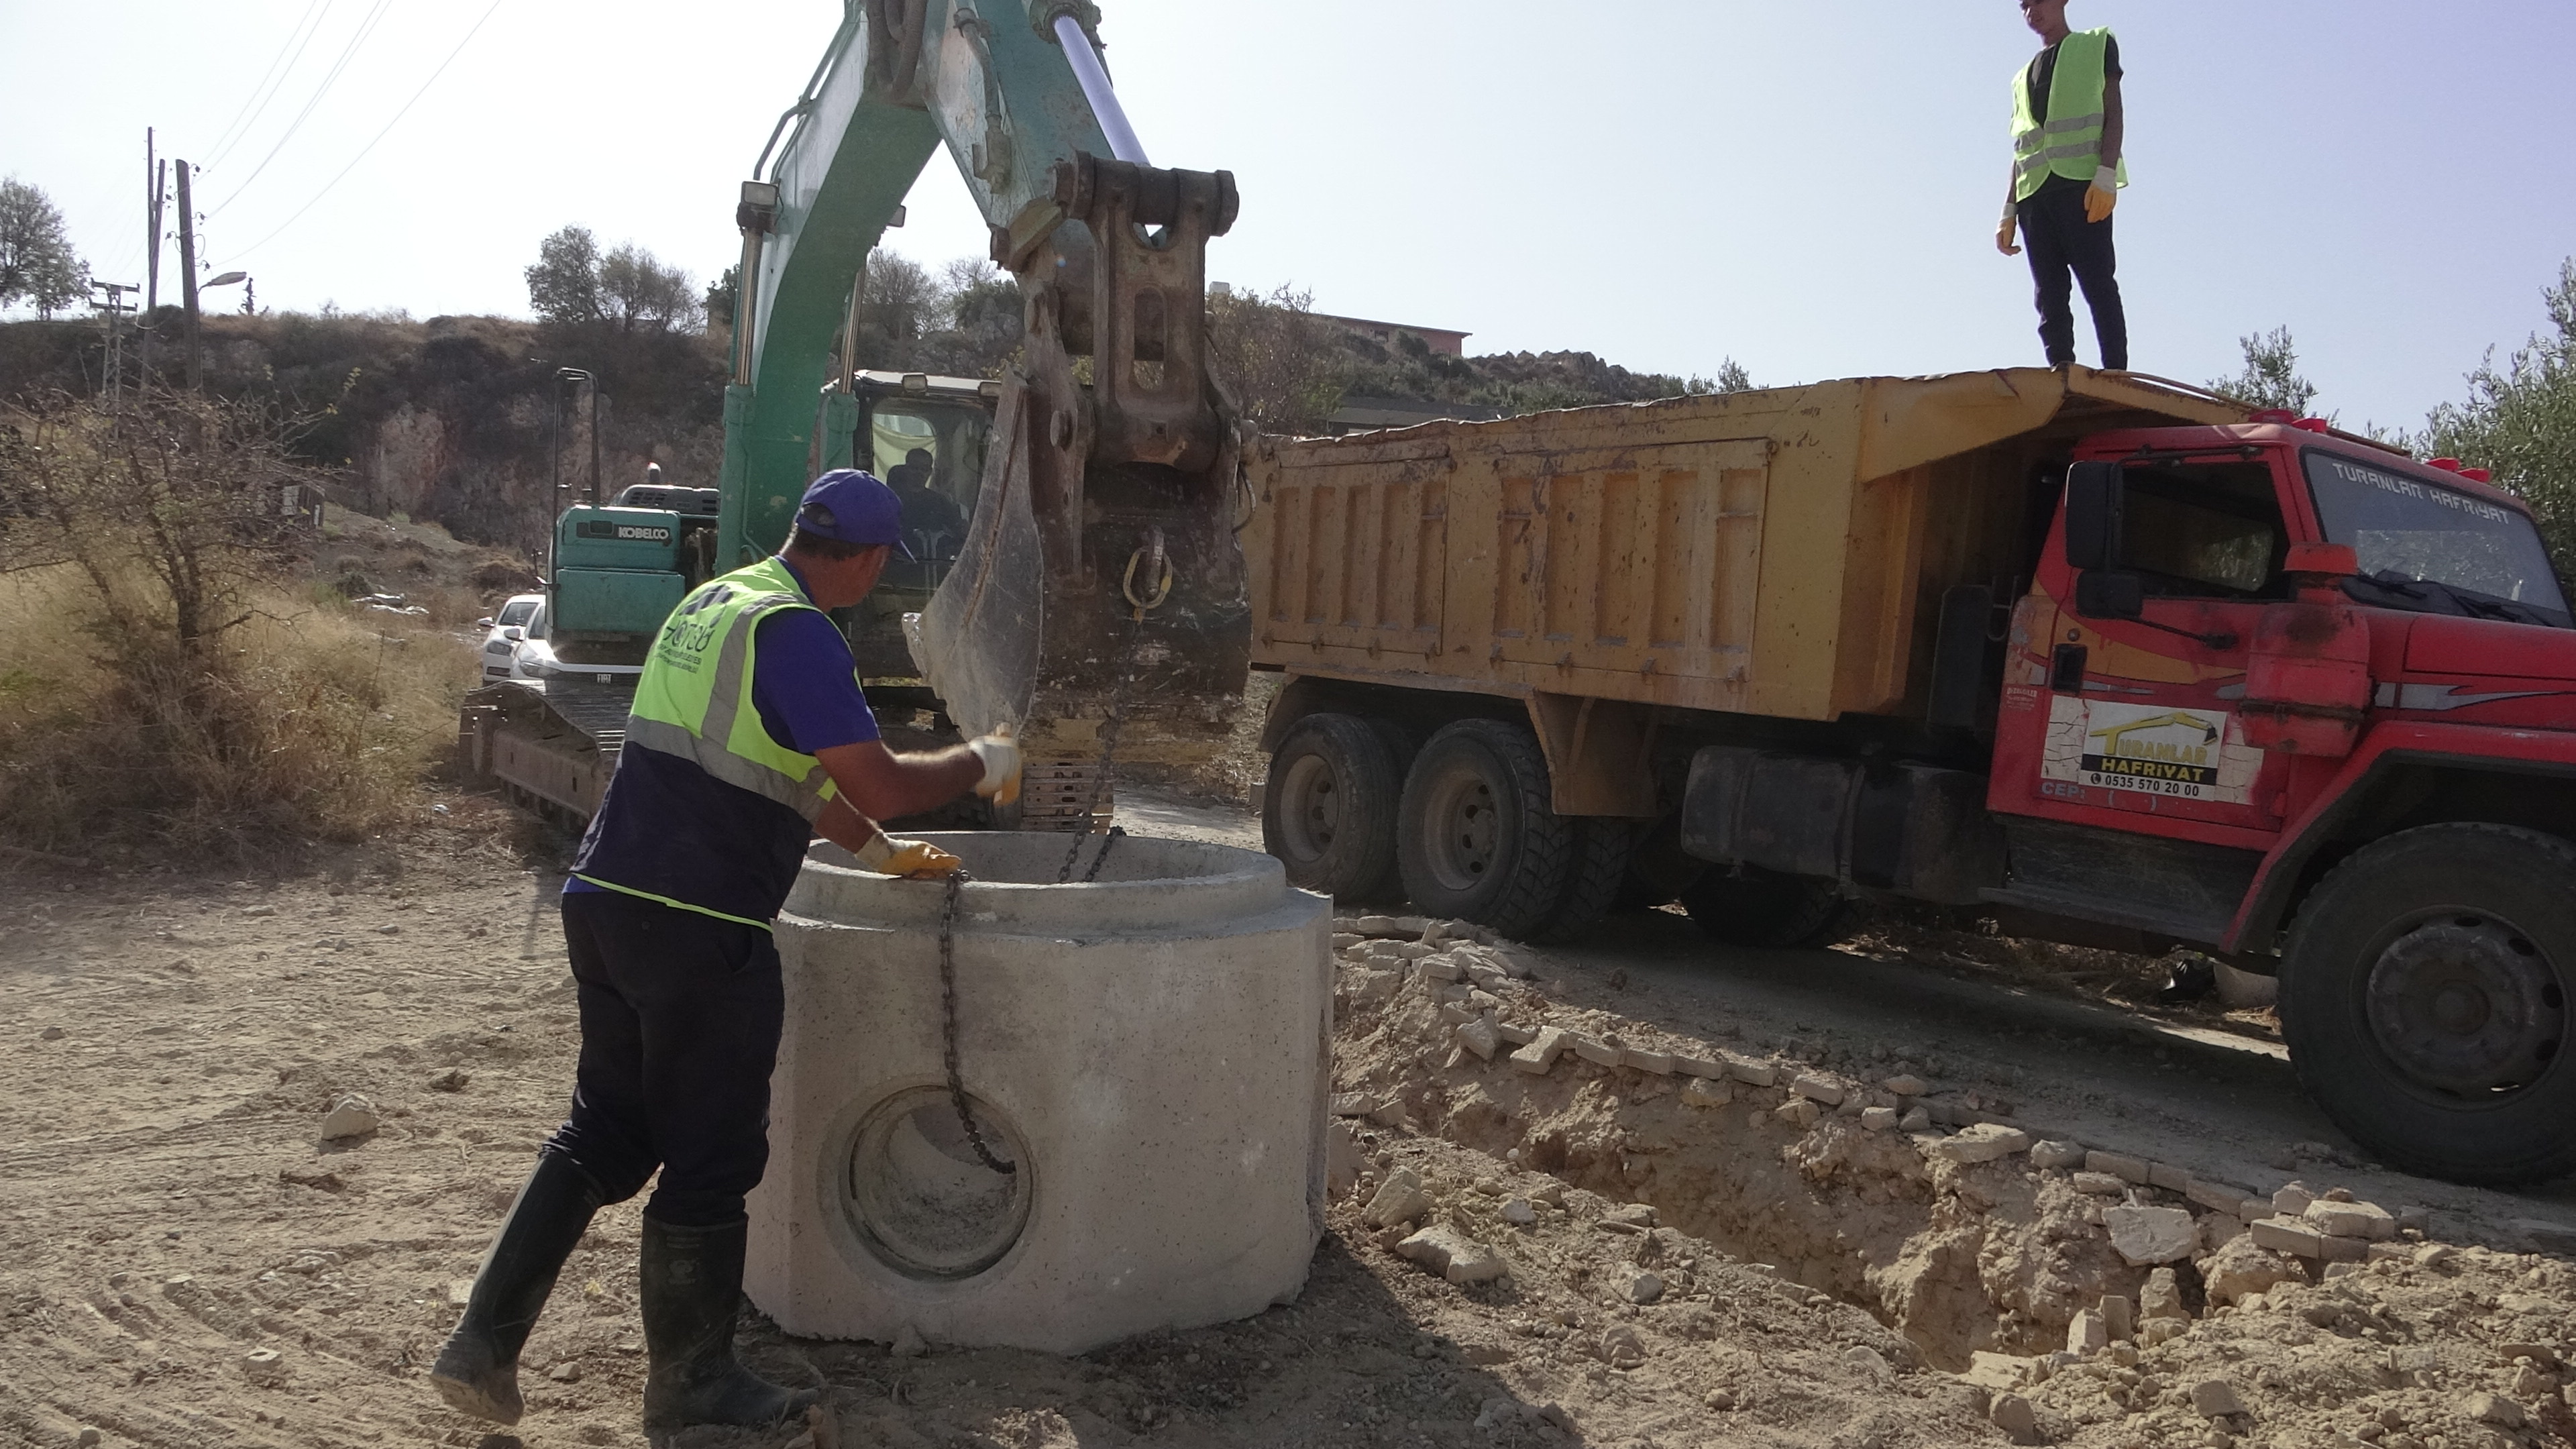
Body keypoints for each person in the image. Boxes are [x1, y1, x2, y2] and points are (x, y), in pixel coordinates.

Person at [429, 469, 1022, 1433]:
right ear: (870, 561)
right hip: (700, 924)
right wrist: (983, 761)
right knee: (712, 1160)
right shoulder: (797, 635)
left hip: (608, 901)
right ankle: (693, 1386)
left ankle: (482, 1344)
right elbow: (878, 779)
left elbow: (786, 777)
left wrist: (881, 855)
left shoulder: (717, 604)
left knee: (607, 1129)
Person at [1996, 0, 2129, 372]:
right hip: (2034, 198)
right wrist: (2009, 209)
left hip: (2082, 188)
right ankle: (2061, 371)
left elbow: (2113, 112)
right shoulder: (2021, 78)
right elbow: (2021, 146)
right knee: (2049, 296)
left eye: (2037, 1)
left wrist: (2105, 173)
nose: (2030, 12)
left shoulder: (2096, 45)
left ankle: (2116, 372)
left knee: (2098, 284)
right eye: (2023, 6)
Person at [885, 447, 969, 561]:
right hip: (900, 565)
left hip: (936, 564)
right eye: (915, 468)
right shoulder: (890, 501)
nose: (919, 473)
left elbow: (957, 534)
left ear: (930, 472)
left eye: (924, 469)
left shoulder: (940, 502)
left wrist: (963, 530)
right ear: (906, 469)